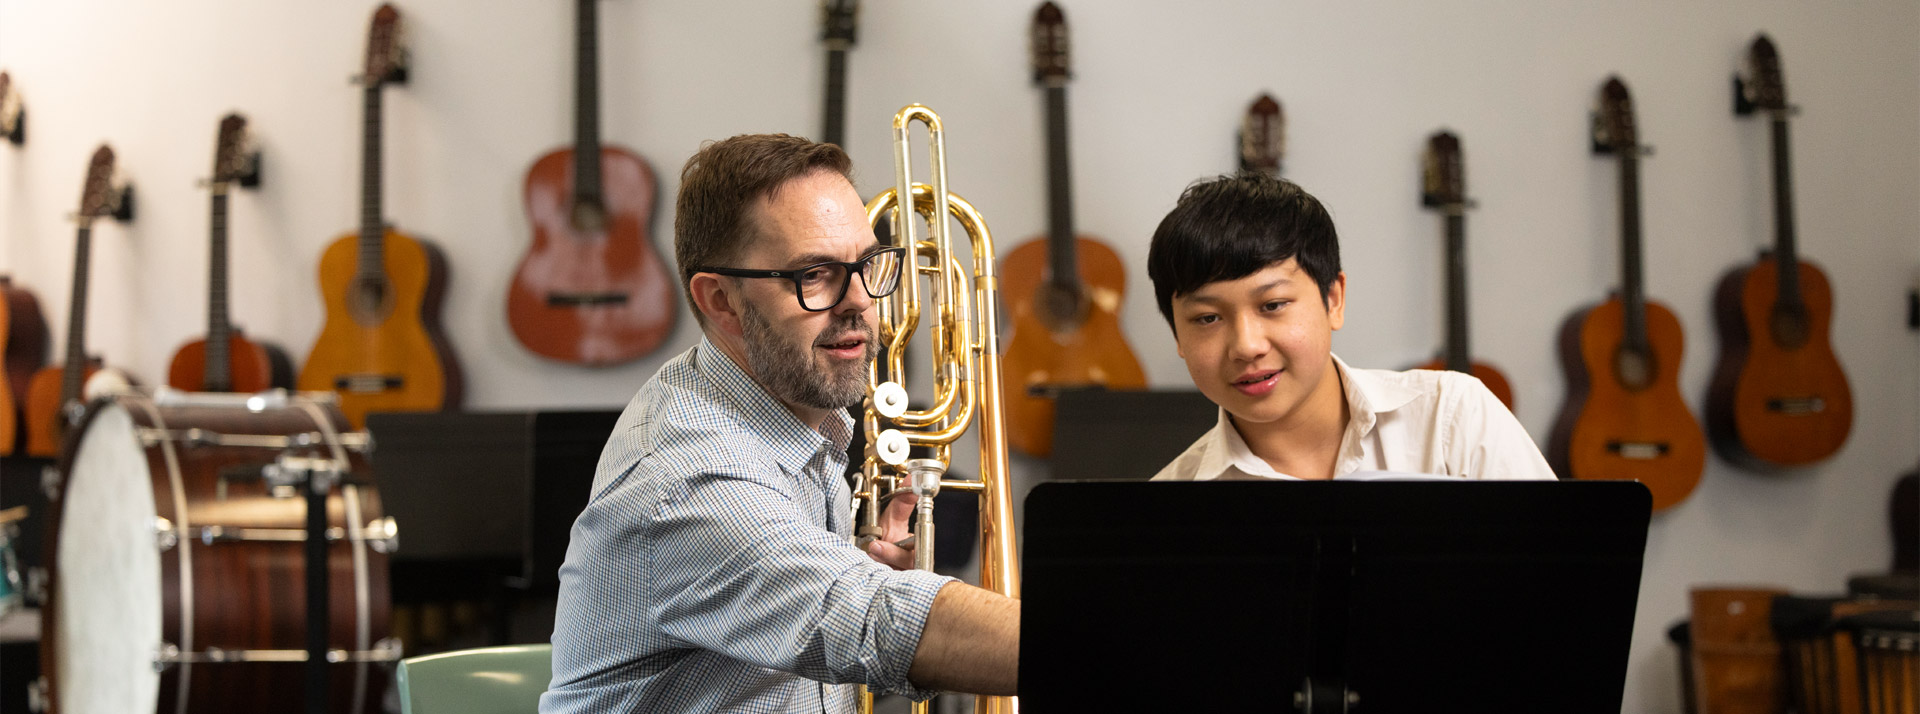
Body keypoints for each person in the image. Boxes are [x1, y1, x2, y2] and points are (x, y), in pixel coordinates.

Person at [541, 134, 1018, 714]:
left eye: (870, 265)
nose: (859, 301)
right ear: (721, 301)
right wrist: (1123, 641)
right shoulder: (689, 476)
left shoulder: (797, 421)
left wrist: (841, 564)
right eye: (815, 274)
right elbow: (874, 620)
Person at [1146, 172, 1556, 482]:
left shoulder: (1451, 418)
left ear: (1334, 299)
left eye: (1272, 305)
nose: (1247, 346)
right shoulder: (1161, 511)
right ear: (1177, 334)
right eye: (1208, 318)